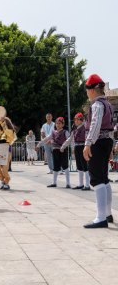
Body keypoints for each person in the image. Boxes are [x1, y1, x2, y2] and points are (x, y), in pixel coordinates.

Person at [83, 74, 114, 229]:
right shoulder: (108, 104)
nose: (87, 92)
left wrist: (88, 143)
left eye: (87, 89)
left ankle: (100, 217)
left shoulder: (97, 105)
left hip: (98, 142)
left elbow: (95, 124)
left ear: (94, 89)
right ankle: (107, 214)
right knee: (104, 178)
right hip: (106, 141)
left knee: (96, 179)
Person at [37, 117, 71, 188]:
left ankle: (68, 183)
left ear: (63, 124)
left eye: (59, 123)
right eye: (57, 123)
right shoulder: (53, 132)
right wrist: (39, 144)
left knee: (65, 166)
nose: (58, 125)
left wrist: (65, 146)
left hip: (62, 151)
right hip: (55, 151)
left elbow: (69, 140)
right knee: (55, 167)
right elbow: (46, 138)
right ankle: (54, 182)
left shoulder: (65, 132)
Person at [60, 113, 90, 190]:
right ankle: (81, 184)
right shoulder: (75, 129)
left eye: (77, 119)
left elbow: (88, 138)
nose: (75, 121)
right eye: (75, 119)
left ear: (81, 120)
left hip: (83, 146)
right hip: (77, 147)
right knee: (79, 166)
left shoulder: (85, 127)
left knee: (85, 166)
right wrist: (63, 146)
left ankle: (87, 185)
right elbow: (70, 139)